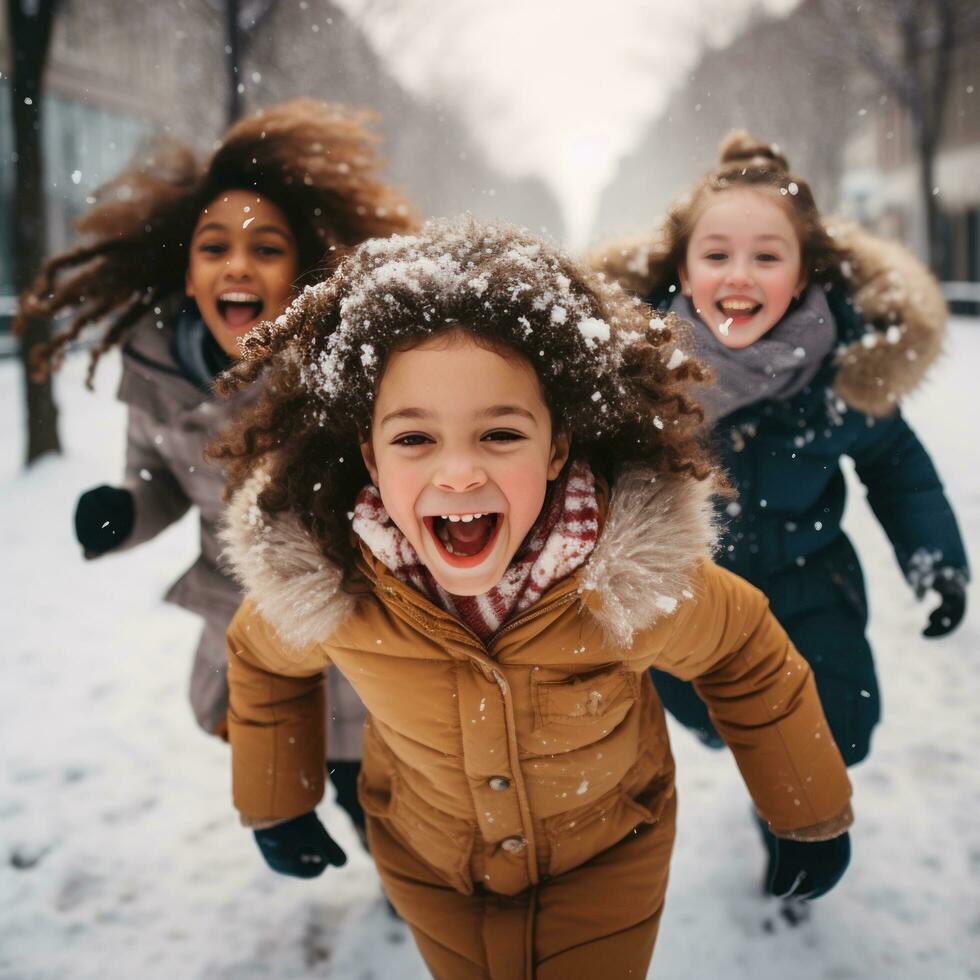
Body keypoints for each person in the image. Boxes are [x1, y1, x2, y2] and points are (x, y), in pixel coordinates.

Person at [210, 216, 854, 978]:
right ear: (369, 456)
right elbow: (263, 659)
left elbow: (745, 651)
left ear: (557, 447)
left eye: (500, 435)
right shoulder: (333, 589)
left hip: (606, 854)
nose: (457, 474)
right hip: (430, 858)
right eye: (415, 439)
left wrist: (804, 807)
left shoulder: (630, 581)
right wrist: (280, 795)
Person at [591, 131, 968, 909]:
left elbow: (898, 469)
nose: (740, 273)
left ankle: (793, 820)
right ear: (683, 270)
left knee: (840, 725)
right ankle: (766, 774)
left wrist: (936, 562)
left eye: (767, 256)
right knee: (719, 718)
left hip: (810, 578)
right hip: (695, 599)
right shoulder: (640, 376)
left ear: (803, 274)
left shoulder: (841, 374)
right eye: (717, 253)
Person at [18, 98, 414, 827]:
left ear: (301, 268)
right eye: (214, 247)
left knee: (373, 779)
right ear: (189, 272)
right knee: (280, 749)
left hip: (348, 617)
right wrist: (125, 512)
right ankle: (294, 818)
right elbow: (157, 477)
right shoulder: (160, 369)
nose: (238, 265)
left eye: (266, 248)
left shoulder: (343, 370)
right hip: (239, 615)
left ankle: (402, 873)